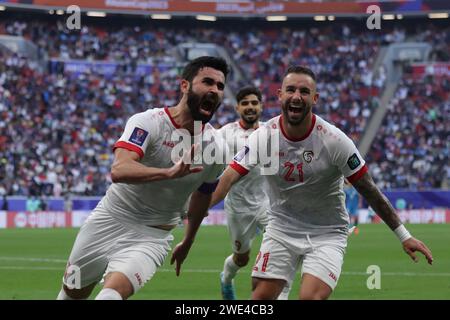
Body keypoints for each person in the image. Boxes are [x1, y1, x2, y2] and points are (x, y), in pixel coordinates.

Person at [212, 65, 433, 300]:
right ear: (280, 95)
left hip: (326, 232)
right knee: (260, 299)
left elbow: (369, 189)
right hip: (281, 227)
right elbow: (228, 176)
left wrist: (404, 235)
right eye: (291, 90)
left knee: (310, 298)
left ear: (314, 98)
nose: (297, 96)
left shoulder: (335, 141)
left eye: (304, 91)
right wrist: (197, 211)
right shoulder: (264, 136)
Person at [57, 56, 229, 300]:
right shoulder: (148, 123)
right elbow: (119, 170)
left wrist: (188, 241)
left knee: (110, 296)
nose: (214, 90)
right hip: (108, 220)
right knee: (72, 293)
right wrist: (168, 172)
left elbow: (203, 195)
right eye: (207, 82)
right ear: (185, 85)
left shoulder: (217, 147)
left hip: (152, 235)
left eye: (220, 86)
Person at [211, 86, 290, 300]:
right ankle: (226, 279)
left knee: (281, 250)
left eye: (254, 103)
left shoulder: (272, 131)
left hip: (268, 204)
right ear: (237, 107)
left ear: (261, 106)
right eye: (245, 103)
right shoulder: (224, 134)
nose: (250, 107)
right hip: (238, 207)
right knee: (242, 258)